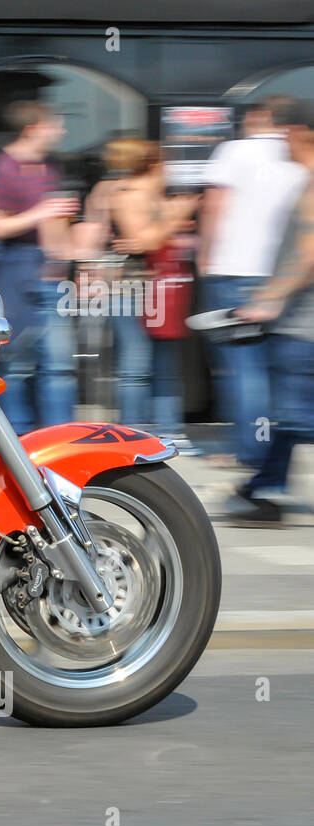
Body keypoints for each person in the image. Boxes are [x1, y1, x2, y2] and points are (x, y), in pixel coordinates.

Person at [198, 97, 309, 469]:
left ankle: (249, 451)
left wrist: (205, 255)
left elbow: (215, 205)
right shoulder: (296, 160)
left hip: (234, 269)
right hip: (281, 276)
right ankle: (268, 456)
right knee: (275, 371)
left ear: (255, 117)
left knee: (244, 369)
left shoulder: (235, 152)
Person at [222, 101, 314, 526]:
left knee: (297, 418)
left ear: (301, 132)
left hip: (303, 324)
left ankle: (261, 489)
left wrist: (270, 298)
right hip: (297, 323)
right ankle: (262, 491)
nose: (279, 140)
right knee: (289, 416)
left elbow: (308, 253)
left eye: (283, 132)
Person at [0, 101, 80, 434]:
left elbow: (56, 222)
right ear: (33, 128)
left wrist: (70, 255)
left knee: (59, 367)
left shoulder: (50, 167)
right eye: (55, 125)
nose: (61, 131)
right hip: (16, 269)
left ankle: (60, 436)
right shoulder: (1, 169)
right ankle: (18, 439)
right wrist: (40, 213)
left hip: (50, 275)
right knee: (16, 364)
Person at [92, 139, 200, 450]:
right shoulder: (128, 194)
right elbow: (144, 241)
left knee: (165, 363)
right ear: (155, 165)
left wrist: (171, 218)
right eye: (165, 164)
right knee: (136, 366)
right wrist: (176, 217)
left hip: (158, 286)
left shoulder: (152, 196)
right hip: (131, 287)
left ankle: (169, 430)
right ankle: (132, 435)